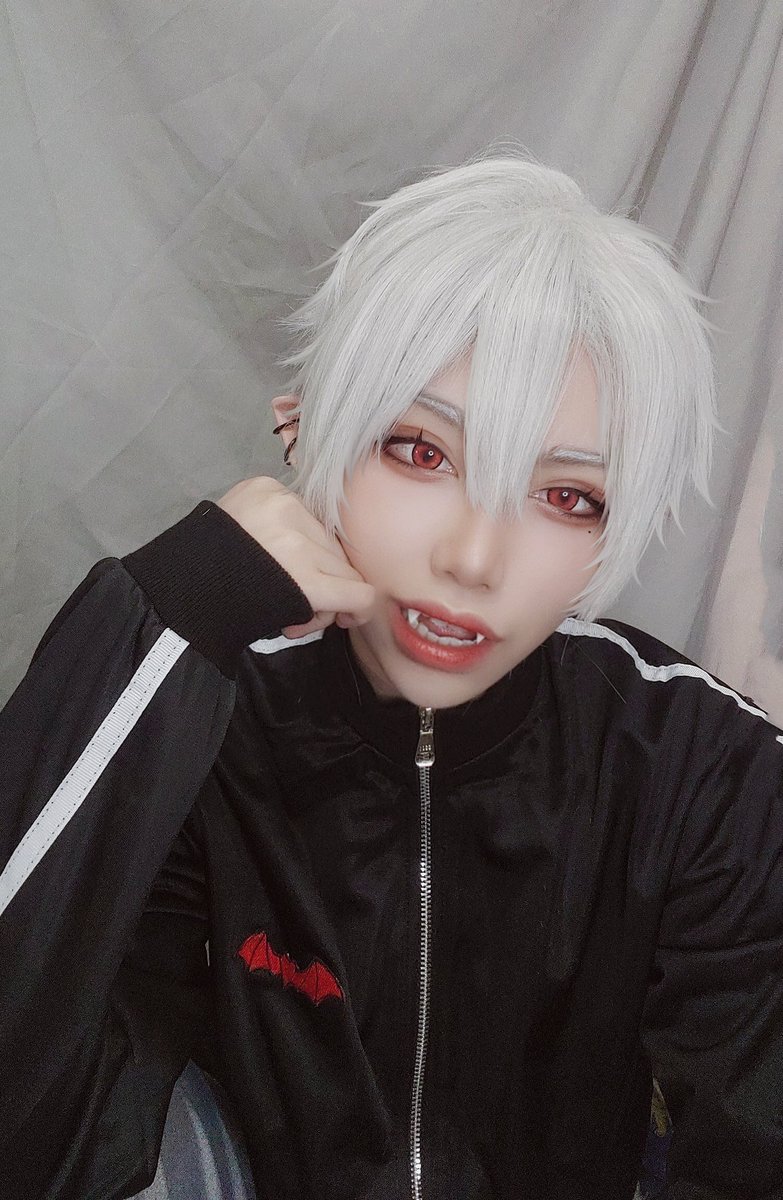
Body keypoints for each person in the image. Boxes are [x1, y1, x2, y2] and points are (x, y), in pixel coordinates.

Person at [1, 154, 781, 1200]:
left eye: (567, 497)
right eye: (421, 451)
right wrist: (162, 615)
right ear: (301, 434)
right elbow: (29, 1115)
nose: (474, 558)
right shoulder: (208, 720)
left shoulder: (700, 763)